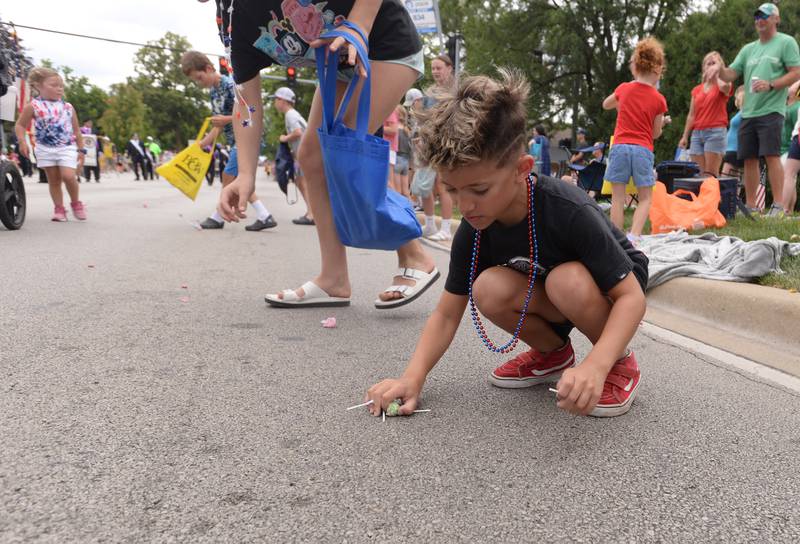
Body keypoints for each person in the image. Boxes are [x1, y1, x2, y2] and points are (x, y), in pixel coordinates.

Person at [363, 70, 648, 419]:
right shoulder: (474, 227)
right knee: (487, 288)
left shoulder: (568, 209)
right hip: (547, 286)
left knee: (566, 280)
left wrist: (597, 365)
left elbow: (631, 298)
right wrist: (412, 377)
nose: (465, 206)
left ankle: (620, 363)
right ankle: (553, 354)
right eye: (452, 190)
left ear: (521, 169)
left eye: (479, 190)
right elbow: (446, 313)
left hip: (610, 288)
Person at [216, 0, 439, 310]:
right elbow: (246, 101)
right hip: (338, 63)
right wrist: (246, 174)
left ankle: (415, 256)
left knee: (340, 148)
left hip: (385, 45)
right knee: (311, 158)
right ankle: (333, 278)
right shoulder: (231, 19)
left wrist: (359, 25)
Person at [713, 3, 800, 216]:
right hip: (748, 112)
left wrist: (771, 84)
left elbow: (796, 72)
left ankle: (778, 205)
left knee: (771, 155)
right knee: (749, 159)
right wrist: (719, 66)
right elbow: (730, 75)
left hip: (772, 110)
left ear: (776, 19)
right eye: (757, 16)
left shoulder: (786, 42)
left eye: (765, 15)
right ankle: (751, 206)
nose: (759, 19)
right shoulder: (748, 49)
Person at [181, 50, 276, 231]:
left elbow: (248, 110)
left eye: (199, 78)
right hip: (235, 142)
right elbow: (218, 126)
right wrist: (202, 144)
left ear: (209, 68)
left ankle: (218, 216)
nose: (198, 83)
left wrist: (225, 119)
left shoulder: (228, 85)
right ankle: (265, 215)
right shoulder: (213, 93)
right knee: (240, 181)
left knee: (228, 176)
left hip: (246, 138)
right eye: (195, 81)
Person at [602, 37, 668, 243]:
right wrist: (662, 123)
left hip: (620, 147)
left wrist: (623, 102)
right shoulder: (659, 99)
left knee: (618, 198)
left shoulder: (624, 89)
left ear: (635, 66)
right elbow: (655, 134)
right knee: (645, 197)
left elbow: (605, 104)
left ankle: (615, 239)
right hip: (642, 149)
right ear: (657, 69)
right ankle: (634, 237)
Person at [14, 67, 87, 222]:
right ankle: (59, 209)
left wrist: (81, 150)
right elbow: (20, 125)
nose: (59, 88)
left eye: (61, 85)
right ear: (38, 86)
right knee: (53, 180)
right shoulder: (33, 106)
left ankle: (76, 203)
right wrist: (22, 142)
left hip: (66, 147)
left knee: (68, 176)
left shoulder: (68, 107)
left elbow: (77, 131)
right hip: (45, 148)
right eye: (53, 85)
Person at [419, 54, 457, 242]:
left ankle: (447, 228)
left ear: (449, 68)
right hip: (429, 143)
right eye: (433, 68)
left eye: (438, 68)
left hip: (447, 142)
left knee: (442, 185)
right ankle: (430, 224)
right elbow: (424, 118)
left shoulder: (456, 90)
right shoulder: (430, 92)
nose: (435, 71)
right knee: (426, 186)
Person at [678, 51, 733, 175]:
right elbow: (692, 115)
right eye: (708, 64)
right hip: (697, 133)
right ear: (704, 67)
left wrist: (718, 74)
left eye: (714, 63)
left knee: (711, 175)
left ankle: (716, 195)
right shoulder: (697, 89)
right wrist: (685, 136)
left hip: (716, 133)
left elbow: (726, 88)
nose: (711, 66)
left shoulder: (722, 84)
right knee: (698, 174)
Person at [270, 87, 314, 225]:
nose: (275, 103)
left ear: (283, 100)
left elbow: (298, 132)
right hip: (306, 153)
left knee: (304, 183)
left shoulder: (290, 114)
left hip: (306, 153)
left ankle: (312, 214)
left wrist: (284, 138)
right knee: (301, 182)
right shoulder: (292, 114)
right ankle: (311, 212)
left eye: (276, 99)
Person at [722, 86, 747, 178]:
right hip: (732, 149)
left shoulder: (746, 111)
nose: (736, 99)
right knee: (735, 180)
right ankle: (735, 192)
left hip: (735, 150)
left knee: (725, 179)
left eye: (738, 97)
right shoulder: (740, 112)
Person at [394, 104, 412, 198]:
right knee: (406, 191)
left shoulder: (395, 128)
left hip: (397, 159)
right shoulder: (407, 129)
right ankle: (409, 210)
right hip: (406, 161)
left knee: (397, 191)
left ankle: (398, 211)